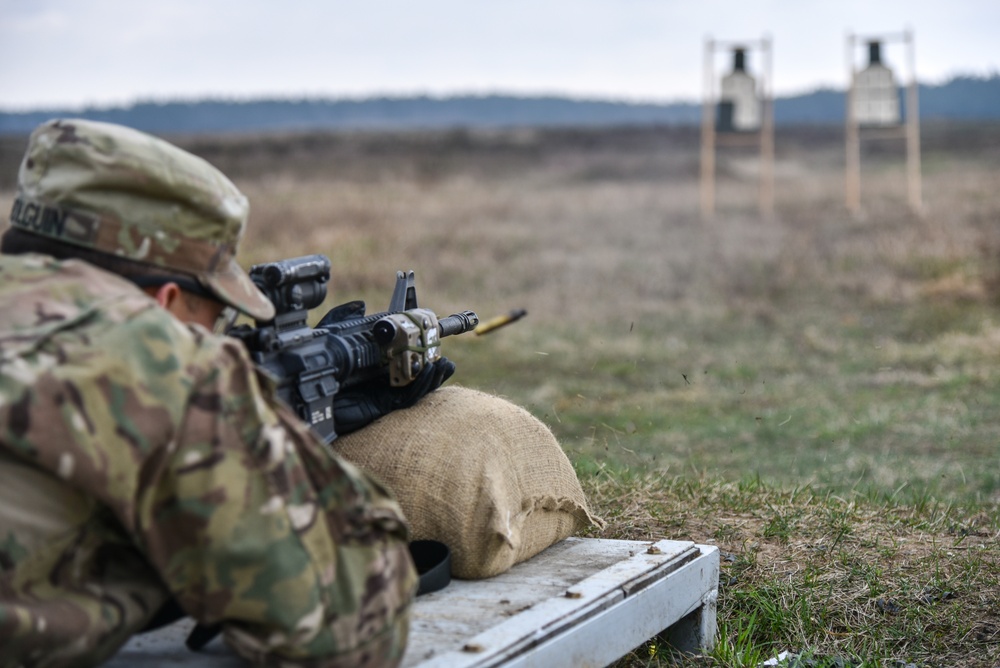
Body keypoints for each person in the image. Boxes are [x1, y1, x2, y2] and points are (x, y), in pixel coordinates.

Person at [0, 119, 425, 668]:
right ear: (166, 300)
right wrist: (288, 450)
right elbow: (352, 627)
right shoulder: (153, 356)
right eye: (216, 315)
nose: (218, 334)